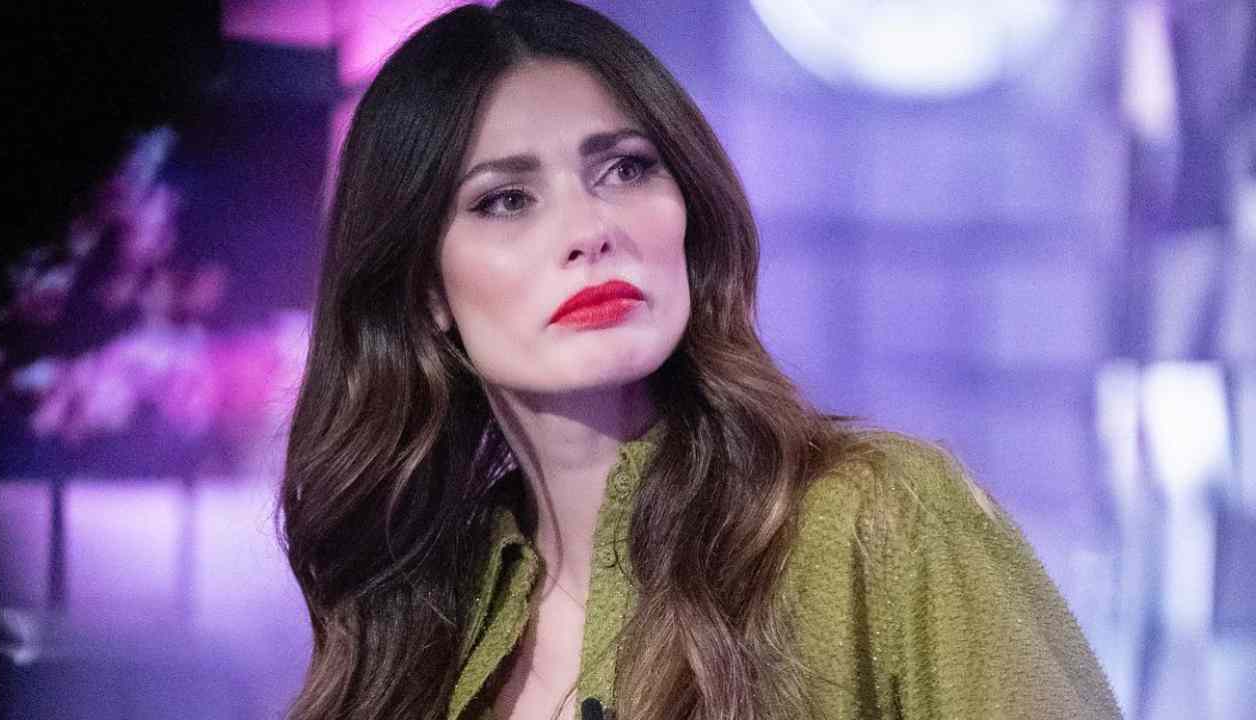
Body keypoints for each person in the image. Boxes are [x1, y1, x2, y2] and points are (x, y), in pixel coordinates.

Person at [279, 1, 1123, 719]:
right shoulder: (414, 622)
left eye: (626, 168)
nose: (590, 229)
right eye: (506, 199)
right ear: (426, 286)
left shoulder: (876, 525)